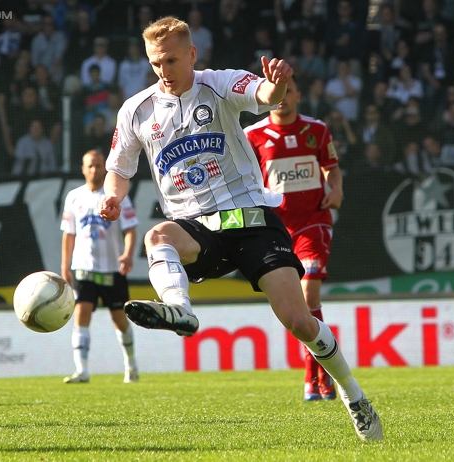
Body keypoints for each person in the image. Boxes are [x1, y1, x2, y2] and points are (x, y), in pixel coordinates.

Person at [99, 16, 383, 441]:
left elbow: (265, 96)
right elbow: (118, 169)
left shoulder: (219, 83)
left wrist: (277, 84)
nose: (163, 70)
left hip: (249, 218)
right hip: (196, 226)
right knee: (156, 236)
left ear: (192, 54)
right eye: (155, 63)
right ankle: (181, 309)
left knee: (299, 321)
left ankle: (354, 396)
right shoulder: (136, 110)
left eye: (172, 60)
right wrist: (114, 196)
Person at [244, 75, 343, 402]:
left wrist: (336, 188)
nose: (282, 98)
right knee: (301, 307)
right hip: (277, 228)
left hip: (314, 222)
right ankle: (323, 377)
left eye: (288, 91)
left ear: (298, 94)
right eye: (277, 92)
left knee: (308, 291)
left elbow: (331, 167)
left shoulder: (316, 130)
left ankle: (313, 379)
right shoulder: (252, 135)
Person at [61, 149, 139, 384]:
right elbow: (69, 235)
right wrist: (65, 266)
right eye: (90, 165)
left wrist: (127, 254)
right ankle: (82, 370)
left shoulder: (115, 196)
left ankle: (130, 365)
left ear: (105, 168)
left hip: (112, 269)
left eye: (98, 165)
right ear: (83, 169)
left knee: (119, 319)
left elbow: (131, 228)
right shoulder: (74, 197)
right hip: (84, 268)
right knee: (81, 313)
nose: (94, 169)